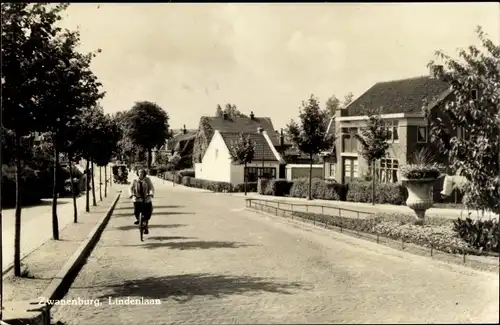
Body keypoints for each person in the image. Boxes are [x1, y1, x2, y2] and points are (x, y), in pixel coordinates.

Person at [128, 169, 155, 234]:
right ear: (137, 173)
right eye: (139, 173)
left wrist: (151, 194)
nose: (140, 174)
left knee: (148, 210)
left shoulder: (147, 180)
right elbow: (130, 188)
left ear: (144, 174)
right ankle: (138, 220)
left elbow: (151, 188)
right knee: (136, 211)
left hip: (146, 198)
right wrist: (131, 194)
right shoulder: (134, 180)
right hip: (137, 198)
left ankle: (146, 226)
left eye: (142, 173)